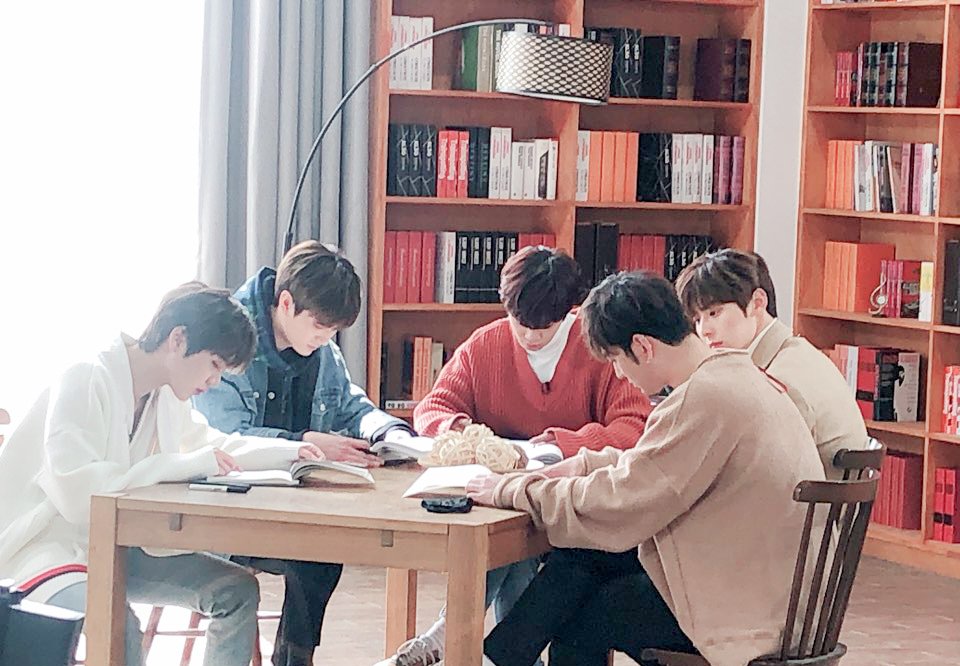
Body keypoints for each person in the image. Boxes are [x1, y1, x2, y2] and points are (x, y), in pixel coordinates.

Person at [467, 271, 825, 666]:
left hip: (746, 617)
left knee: (580, 612)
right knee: (583, 556)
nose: (619, 374)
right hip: (770, 593)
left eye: (616, 360)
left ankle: (503, 654)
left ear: (642, 346)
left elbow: (624, 501)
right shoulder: (736, 377)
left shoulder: (704, 399)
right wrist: (582, 465)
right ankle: (506, 654)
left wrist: (513, 490)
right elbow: (655, 466)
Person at [0, 283, 329, 666]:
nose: (215, 381)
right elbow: (78, 497)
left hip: (111, 545)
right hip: (42, 549)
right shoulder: (85, 377)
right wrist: (183, 465)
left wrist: (291, 452)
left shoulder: (165, 395)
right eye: (214, 365)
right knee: (120, 625)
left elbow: (212, 446)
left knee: (236, 591)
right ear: (178, 339)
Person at [378, 247, 651, 666]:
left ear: (568, 311)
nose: (530, 336)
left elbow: (634, 428)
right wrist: (461, 430)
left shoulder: (598, 350)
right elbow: (432, 408)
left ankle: (444, 636)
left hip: (572, 503)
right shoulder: (486, 343)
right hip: (501, 498)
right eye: (520, 322)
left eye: (545, 326)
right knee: (507, 546)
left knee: (510, 547)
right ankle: (483, 649)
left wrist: (559, 446)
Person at [194, 240, 416, 666]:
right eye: (320, 326)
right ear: (285, 302)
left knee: (325, 547)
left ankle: (295, 658)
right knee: (315, 549)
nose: (325, 338)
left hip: (295, 504)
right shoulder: (232, 338)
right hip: (229, 508)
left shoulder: (318, 346)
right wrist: (303, 443)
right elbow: (224, 437)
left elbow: (349, 404)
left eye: (333, 331)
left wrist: (390, 432)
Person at [675, 248, 868, 478]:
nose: (704, 330)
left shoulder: (778, 379)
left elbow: (770, 470)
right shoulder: (797, 353)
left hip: (809, 497)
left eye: (714, 313)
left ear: (757, 303)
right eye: (697, 319)